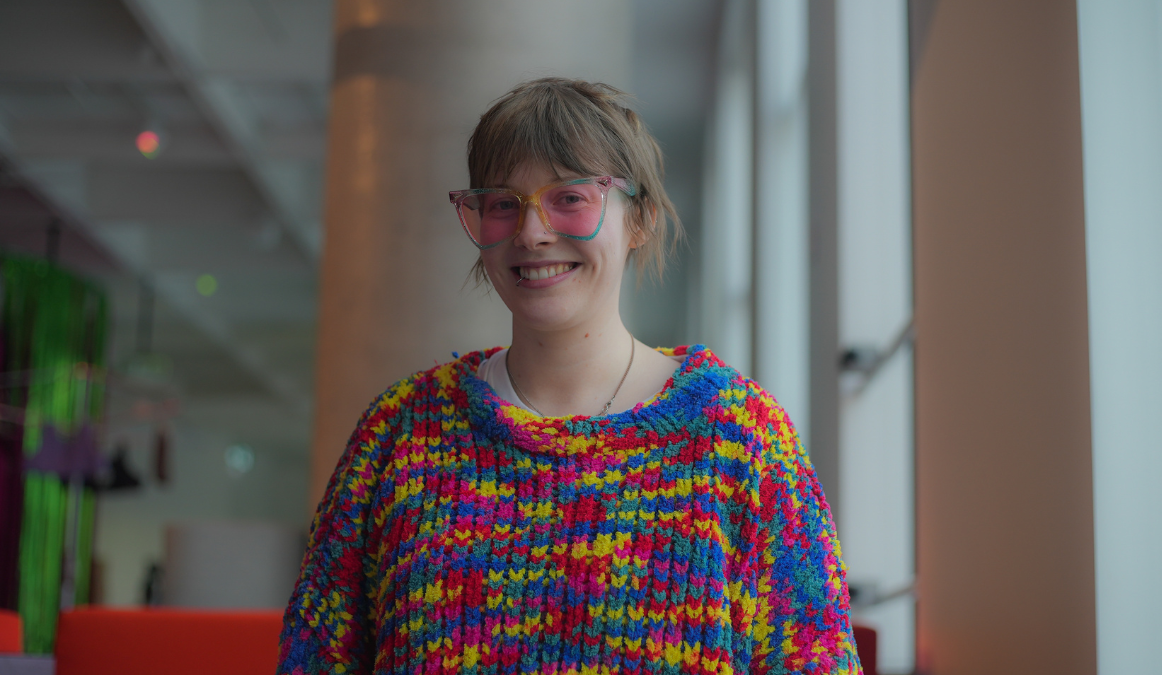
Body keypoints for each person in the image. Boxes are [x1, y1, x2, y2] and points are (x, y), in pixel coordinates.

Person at [277, 78, 861, 675]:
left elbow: (813, 655)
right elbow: (314, 657)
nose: (532, 232)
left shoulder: (738, 436)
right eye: (503, 203)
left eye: (570, 198)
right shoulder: (400, 432)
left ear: (642, 220)